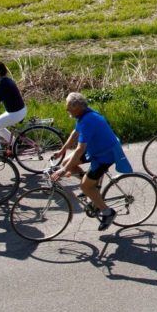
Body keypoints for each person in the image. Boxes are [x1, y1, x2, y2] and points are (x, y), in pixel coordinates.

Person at [51, 92, 133, 231]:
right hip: (95, 151)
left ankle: (108, 212)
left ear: (76, 107)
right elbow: (75, 133)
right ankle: (92, 187)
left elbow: (80, 149)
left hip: (104, 156)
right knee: (66, 162)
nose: (66, 109)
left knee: (84, 186)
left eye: (68, 106)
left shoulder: (88, 120)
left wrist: (63, 171)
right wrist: (61, 151)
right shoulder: (83, 115)